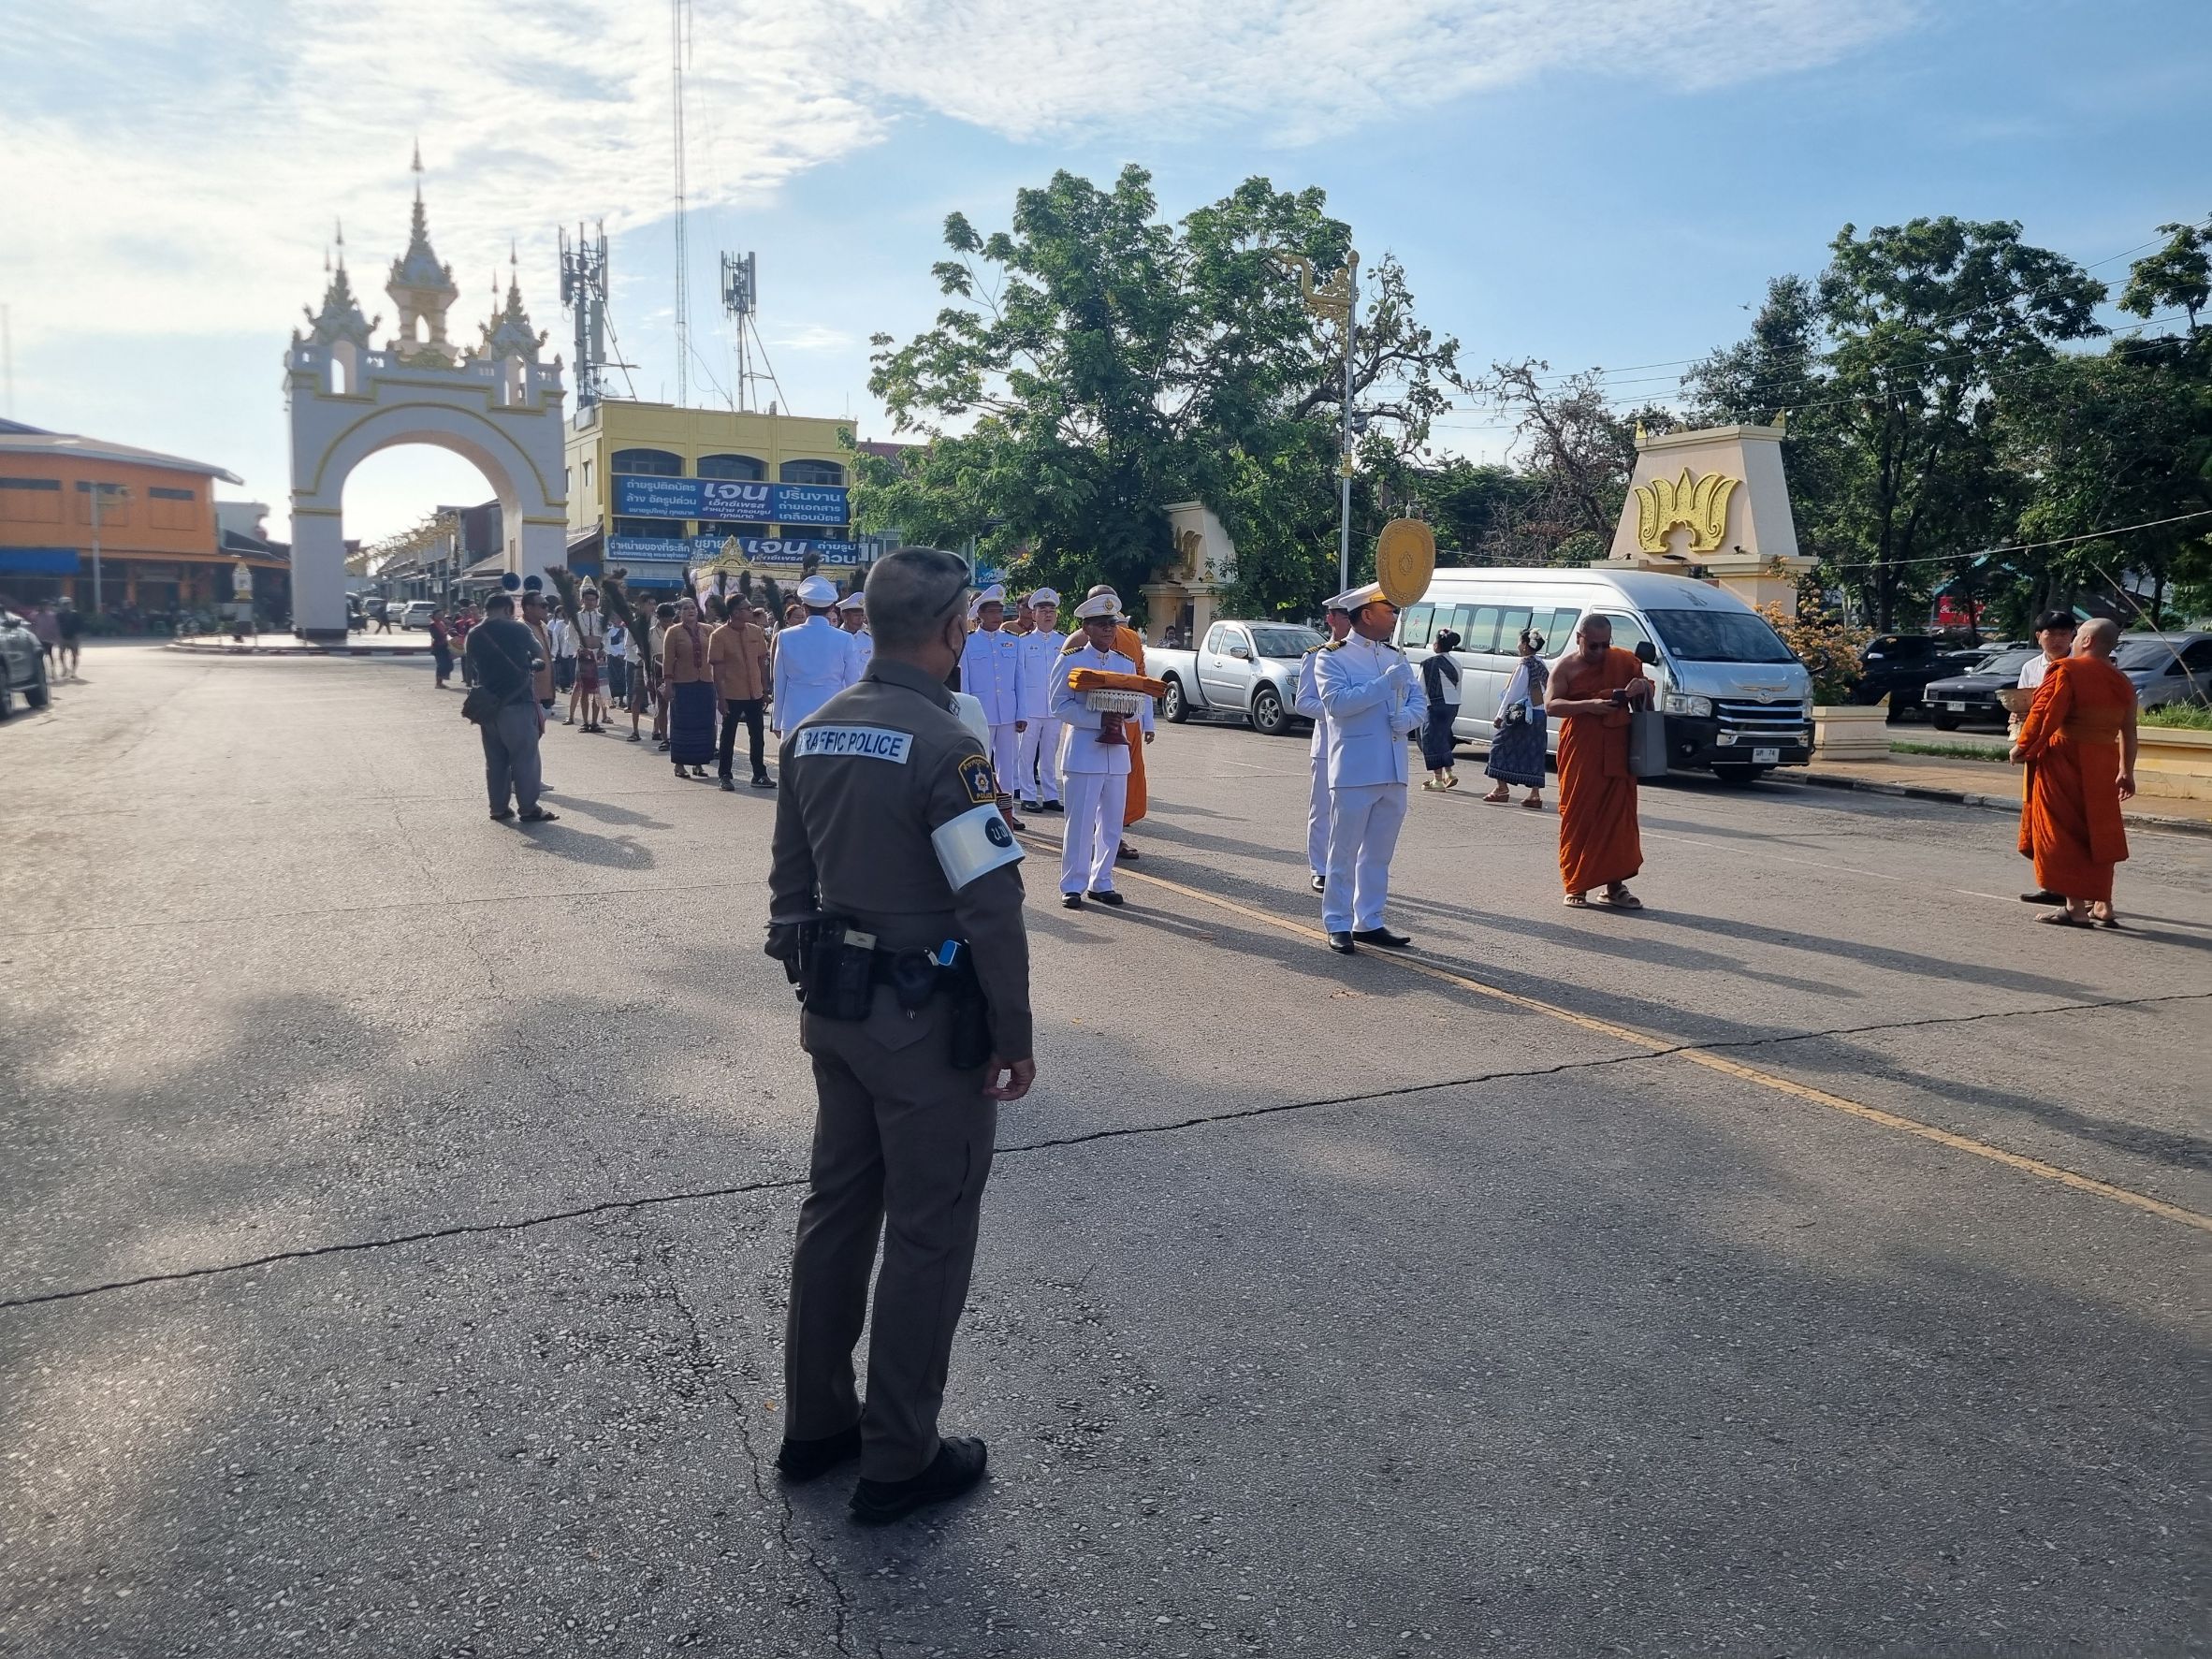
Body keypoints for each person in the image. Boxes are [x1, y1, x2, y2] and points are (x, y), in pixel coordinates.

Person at [766, 546, 1034, 1525]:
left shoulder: (815, 733)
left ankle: (816, 1427)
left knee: (836, 1212)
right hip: (924, 1027)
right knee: (929, 1232)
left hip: (836, 1012)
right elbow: (991, 906)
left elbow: (789, 889)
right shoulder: (944, 747)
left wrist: (822, 987)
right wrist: (1013, 1033)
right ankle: (899, 1456)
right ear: (955, 630)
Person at [1315, 583, 1425, 953]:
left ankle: (1369, 919)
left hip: (1393, 768)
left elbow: (1418, 700)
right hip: (1355, 768)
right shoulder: (1333, 657)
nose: (1395, 617)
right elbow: (1337, 704)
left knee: (1379, 853)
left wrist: (1409, 718)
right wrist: (1384, 685)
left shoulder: (1395, 655)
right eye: (1388, 611)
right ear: (1366, 614)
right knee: (1343, 851)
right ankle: (1337, 921)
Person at [2011, 617, 2136, 928]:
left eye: (2077, 635)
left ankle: (2075, 908)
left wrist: (2023, 746)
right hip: (2104, 763)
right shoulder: (2122, 680)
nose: (2074, 640)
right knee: (2098, 834)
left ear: (2088, 641)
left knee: (2062, 833)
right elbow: (2130, 731)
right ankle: (2103, 906)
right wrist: (2126, 771)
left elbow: (2044, 714)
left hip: (2065, 759)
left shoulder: (2066, 669)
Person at [1052, 593, 1153, 908]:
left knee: (1111, 825)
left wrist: (1128, 713)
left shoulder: (1125, 663)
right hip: (1084, 752)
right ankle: (1073, 884)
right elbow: (1058, 705)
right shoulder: (1071, 660)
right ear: (1086, 628)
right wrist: (1099, 719)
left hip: (1116, 755)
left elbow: (1136, 708)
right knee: (1080, 825)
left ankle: (1102, 881)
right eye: (1101, 624)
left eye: (1112, 623)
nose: (1109, 629)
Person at [1548, 615, 1653, 909]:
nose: (1600, 652)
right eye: (1593, 645)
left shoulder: (1623, 661)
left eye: (1605, 645)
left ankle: (1614, 887)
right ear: (1579, 638)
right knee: (1580, 813)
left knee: (1618, 820)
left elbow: (1646, 695)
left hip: (1619, 747)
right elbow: (1551, 705)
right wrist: (1589, 706)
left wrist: (1641, 687)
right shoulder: (1565, 667)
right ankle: (1576, 885)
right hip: (1583, 748)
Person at [465, 592, 556, 823]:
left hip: (487, 704)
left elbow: (473, 664)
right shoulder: (518, 629)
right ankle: (528, 807)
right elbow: (539, 653)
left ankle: (498, 808)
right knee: (525, 757)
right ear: (508, 609)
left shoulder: (474, 634)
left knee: (495, 759)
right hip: (517, 702)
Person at [2014, 610, 2079, 904]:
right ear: (2039, 636)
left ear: (2074, 637)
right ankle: (2051, 884)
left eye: (2064, 634)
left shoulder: (2081, 666)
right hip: (2039, 750)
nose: (2057, 640)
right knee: (2040, 819)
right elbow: (2027, 708)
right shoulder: (2031, 667)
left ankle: (2078, 890)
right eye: (2051, 634)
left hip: (2070, 749)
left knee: (2069, 821)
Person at [1294, 600, 1354, 893]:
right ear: (1331, 619)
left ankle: (1345, 867)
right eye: (1347, 617)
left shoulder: (1365, 656)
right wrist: (1338, 711)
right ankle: (1320, 868)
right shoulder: (1317, 655)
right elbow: (1303, 702)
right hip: (1328, 744)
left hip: (1358, 745)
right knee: (1323, 810)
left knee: (1353, 811)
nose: (1353, 623)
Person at [960, 585, 1026, 829]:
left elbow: (1019, 680)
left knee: (1007, 766)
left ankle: (1007, 810)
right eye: (992, 611)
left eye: (1000, 611)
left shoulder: (1012, 641)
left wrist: (1022, 713)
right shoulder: (969, 642)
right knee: (980, 764)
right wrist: (967, 716)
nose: (997, 616)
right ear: (979, 614)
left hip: (1008, 713)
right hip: (981, 714)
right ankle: (982, 810)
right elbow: (964, 681)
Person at [773, 575, 864, 740]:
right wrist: (853, 719)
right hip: (831, 715)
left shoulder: (785, 636)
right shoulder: (844, 639)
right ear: (831, 608)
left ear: (804, 608)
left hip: (794, 717)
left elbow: (780, 682)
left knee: (793, 758)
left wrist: (777, 721)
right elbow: (852, 683)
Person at [710, 599, 775, 790]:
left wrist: (764, 690)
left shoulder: (755, 631)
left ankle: (760, 774)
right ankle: (725, 775)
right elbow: (718, 671)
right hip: (731, 693)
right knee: (728, 735)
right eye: (747, 608)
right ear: (736, 612)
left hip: (754, 693)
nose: (751, 611)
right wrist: (721, 698)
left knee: (757, 735)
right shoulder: (719, 636)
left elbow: (761, 662)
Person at [1483, 629, 1550, 808]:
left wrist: (1499, 716)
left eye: (1519, 641)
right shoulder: (1540, 664)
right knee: (1534, 752)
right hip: (1539, 715)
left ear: (1525, 645)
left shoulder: (1524, 666)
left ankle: (1501, 788)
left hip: (1521, 716)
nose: (1518, 645)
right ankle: (1534, 794)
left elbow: (1513, 693)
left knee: (1499, 747)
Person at [1013, 589, 1066, 812]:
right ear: (1033, 615)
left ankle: (1050, 795)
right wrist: (1019, 709)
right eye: (1043, 610)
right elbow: (1018, 677)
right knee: (1026, 755)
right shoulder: (1023, 642)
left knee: (1049, 754)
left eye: (1051, 610)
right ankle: (1027, 795)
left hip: (1054, 708)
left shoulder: (1063, 641)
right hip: (1030, 708)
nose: (1048, 614)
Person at [662, 596, 717, 779]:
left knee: (703, 724)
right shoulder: (673, 632)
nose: (690, 611)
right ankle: (679, 764)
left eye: (692, 607)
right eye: (685, 608)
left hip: (705, 683)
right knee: (683, 724)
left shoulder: (708, 630)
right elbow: (668, 660)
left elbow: (715, 656)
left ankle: (699, 763)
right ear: (679, 613)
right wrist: (668, 685)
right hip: (683, 684)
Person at [1419, 630, 1463, 791]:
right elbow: (1458, 685)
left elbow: (1420, 689)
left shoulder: (1428, 663)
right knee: (1443, 737)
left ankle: (1437, 780)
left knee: (1430, 739)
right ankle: (1449, 774)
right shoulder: (1456, 663)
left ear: (1437, 645)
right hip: (1453, 704)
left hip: (1435, 704)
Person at [567, 587, 608, 731]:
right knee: (583, 689)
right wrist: (578, 649)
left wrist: (604, 650)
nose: (590, 602)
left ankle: (595, 722)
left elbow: (606, 637)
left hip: (599, 656)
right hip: (584, 656)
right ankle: (585, 722)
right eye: (587, 599)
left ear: (597, 601)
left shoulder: (602, 618)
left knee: (598, 690)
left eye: (593, 599)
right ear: (582, 600)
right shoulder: (576, 617)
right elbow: (570, 637)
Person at [837, 591, 871, 661]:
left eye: (862, 615)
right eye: (856, 615)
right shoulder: (836, 639)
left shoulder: (869, 639)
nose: (860, 619)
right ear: (844, 616)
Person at [428, 608, 455, 689]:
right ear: (434, 616)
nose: (440, 616)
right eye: (438, 615)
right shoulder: (432, 625)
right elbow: (436, 636)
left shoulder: (442, 623)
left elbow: (447, 631)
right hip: (438, 647)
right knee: (441, 665)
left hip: (445, 646)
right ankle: (438, 683)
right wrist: (447, 632)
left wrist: (450, 630)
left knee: (449, 664)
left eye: (442, 615)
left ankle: (442, 680)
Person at [55, 598, 82, 678]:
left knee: (74, 655)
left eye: (68, 604)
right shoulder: (59, 615)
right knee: (61, 654)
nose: (67, 606)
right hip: (63, 637)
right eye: (65, 605)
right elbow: (56, 625)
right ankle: (64, 668)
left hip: (73, 637)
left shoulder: (75, 614)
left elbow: (80, 626)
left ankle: (73, 671)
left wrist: (78, 636)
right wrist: (57, 636)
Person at [29, 603, 59, 671]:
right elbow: (32, 625)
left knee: (50, 654)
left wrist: (56, 636)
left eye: (45, 606)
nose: (44, 607)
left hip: (48, 638)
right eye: (42, 606)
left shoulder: (51, 615)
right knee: (40, 655)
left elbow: (55, 626)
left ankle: (52, 669)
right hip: (39, 638)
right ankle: (43, 670)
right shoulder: (35, 615)